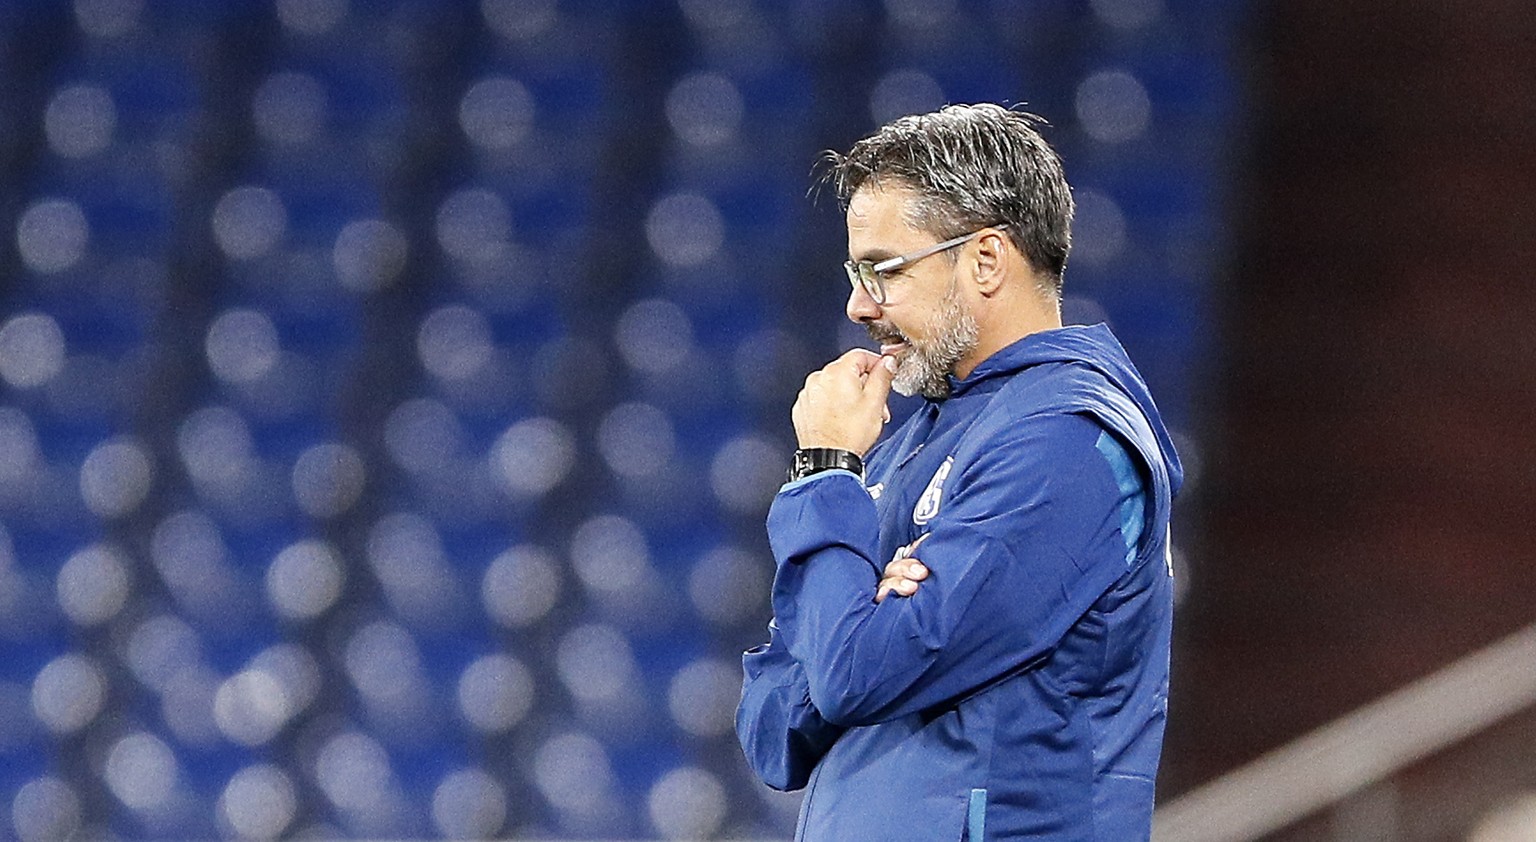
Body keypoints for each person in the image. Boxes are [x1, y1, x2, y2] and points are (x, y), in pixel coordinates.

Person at [735, 103, 1184, 840]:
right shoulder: (917, 442)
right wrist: (861, 611)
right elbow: (773, 725)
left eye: (882, 271)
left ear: (984, 260)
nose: (857, 304)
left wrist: (823, 472)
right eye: (856, 273)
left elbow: (853, 673)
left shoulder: (1069, 443)